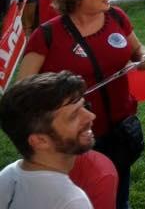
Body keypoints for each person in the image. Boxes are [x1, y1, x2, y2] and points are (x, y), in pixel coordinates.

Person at [18, 0, 145, 209]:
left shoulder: (117, 16)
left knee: (118, 193)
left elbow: (137, 48)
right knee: (79, 197)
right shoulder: (48, 34)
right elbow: (22, 89)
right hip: (74, 136)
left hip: (120, 127)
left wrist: (143, 57)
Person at [0, 71, 97, 209]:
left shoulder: (8, 176)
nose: (91, 116)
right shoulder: (71, 201)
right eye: (73, 115)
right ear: (40, 140)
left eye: (84, 106)